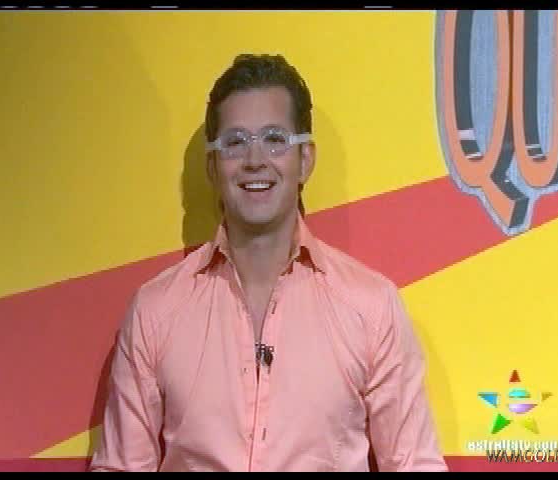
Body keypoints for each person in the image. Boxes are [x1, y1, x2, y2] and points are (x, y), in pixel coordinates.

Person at [89, 54, 447, 472]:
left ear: (305, 159)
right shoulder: (155, 312)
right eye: (235, 142)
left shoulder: (371, 307)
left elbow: (414, 464)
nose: (255, 160)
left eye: (275, 139)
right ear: (212, 166)